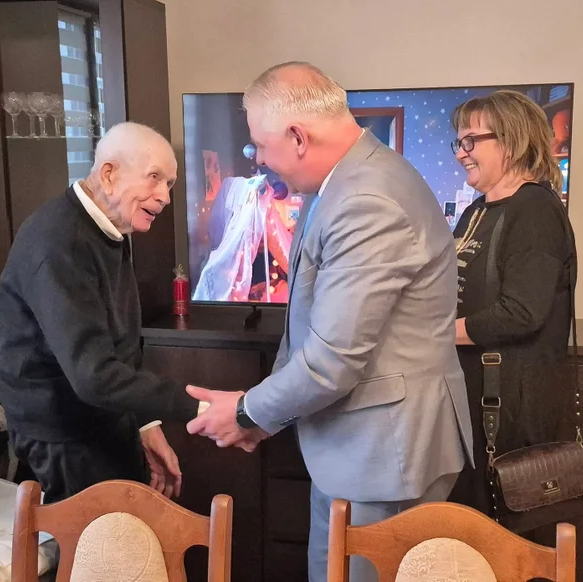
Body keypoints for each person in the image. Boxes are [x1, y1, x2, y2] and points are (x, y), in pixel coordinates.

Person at [185, 62, 474, 582]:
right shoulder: (339, 184)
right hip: (358, 449)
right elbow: (305, 323)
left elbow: (332, 359)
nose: (258, 159)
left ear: (298, 137)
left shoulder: (366, 199)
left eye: (260, 145)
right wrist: (265, 415)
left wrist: (248, 412)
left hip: (385, 456)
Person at [0, 122, 203, 504]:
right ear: (109, 175)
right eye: (155, 178)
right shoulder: (59, 241)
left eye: (170, 184)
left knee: (135, 528)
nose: (165, 197)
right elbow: (93, 376)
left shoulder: (107, 227)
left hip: (104, 416)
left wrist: (146, 424)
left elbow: (121, 346)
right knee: (98, 542)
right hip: (62, 433)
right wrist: (202, 406)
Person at [443, 91, 579, 528]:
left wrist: (434, 334)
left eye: (470, 141)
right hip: (473, 402)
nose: (461, 153)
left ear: (512, 140)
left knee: (507, 542)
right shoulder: (477, 211)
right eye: (458, 142)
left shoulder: (535, 210)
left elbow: (522, 312)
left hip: (509, 412)